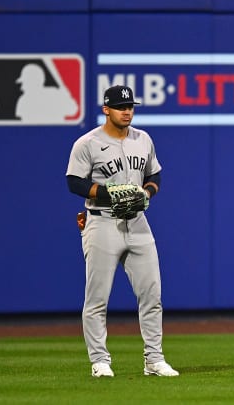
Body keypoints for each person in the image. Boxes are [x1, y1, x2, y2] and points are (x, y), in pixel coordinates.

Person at [65, 85, 179, 378]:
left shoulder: (143, 139)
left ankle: (154, 359)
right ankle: (100, 361)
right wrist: (108, 194)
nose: (127, 111)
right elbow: (74, 182)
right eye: (120, 106)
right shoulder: (87, 143)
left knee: (152, 294)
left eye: (130, 106)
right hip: (102, 222)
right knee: (97, 298)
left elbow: (154, 173)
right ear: (106, 110)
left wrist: (148, 192)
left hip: (138, 223)